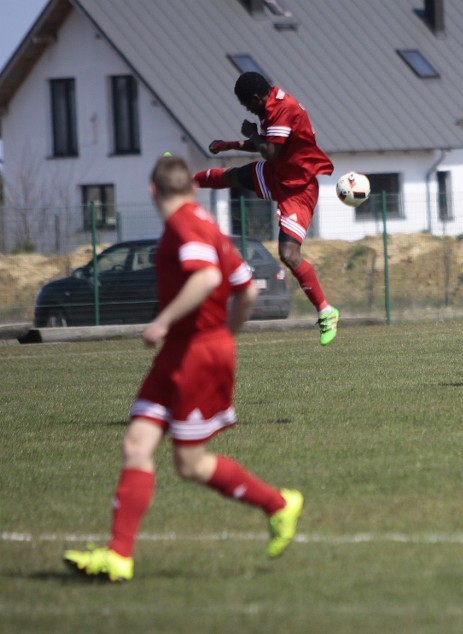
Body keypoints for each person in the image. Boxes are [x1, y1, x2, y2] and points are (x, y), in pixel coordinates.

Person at [64, 154, 303, 582]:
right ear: (192, 187)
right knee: (136, 446)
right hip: (186, 351)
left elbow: (207, 279)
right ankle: (119, 556)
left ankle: (279, 504)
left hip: (195, 352)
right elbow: (245, 290)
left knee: (189, 464)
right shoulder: (207, 224)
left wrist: (165, 320)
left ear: (152, 191)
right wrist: (227, 335)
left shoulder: (183, 226)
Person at [193, 71, 339, 346]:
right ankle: (184, 183)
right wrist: (230, 144)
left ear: (257, 98)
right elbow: (269, 145)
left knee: (288, 254)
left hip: (298, 188)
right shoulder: (269, 105)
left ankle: (326, 312)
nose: (247, 109)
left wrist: (249, 134)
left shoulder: (282, 108)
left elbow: (269, 149)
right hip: (278, 174)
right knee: (234, 177)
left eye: (246, 104)